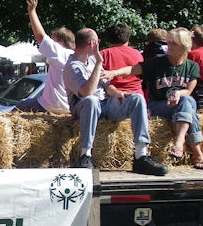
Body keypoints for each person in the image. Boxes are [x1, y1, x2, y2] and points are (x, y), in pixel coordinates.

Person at [62, 28, 168, 175]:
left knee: (137, 99)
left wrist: (118, 94)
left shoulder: (91, 60)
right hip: (83, 108)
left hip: (105, 104)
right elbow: (87, 92)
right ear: (92, 44)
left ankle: (141, 155)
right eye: (98, 42)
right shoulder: (71, 66)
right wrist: (99, 63)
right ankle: (85, 155)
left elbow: (106, 85)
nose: (100, 44)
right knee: (91, 100)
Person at [106, 28, 203, 170]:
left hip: (180, 106)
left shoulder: (192, 66)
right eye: (168, 42)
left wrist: (178, 93)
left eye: (174, 43)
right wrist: (113, 73)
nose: (169, 46)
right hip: (159, 106)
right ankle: (195, 152)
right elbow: (132, 69)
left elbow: (188, 91)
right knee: (189, 106)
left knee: (187, 101)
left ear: (184, 46)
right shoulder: (157, 63)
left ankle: (180, 141)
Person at [15, 0, 74, 113]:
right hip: (70, 108)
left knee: (20, 106)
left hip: (51, 106)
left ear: (61, 42)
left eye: (53, 40)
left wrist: (32, 11)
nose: (51, 42)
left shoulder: (60, 53)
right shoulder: (77, 57)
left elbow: (40, 36)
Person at [100, 24, 143, 95]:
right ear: (128, 38)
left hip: (113, 95)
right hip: (137, 94)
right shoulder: (137, 53)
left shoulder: (103, 54)